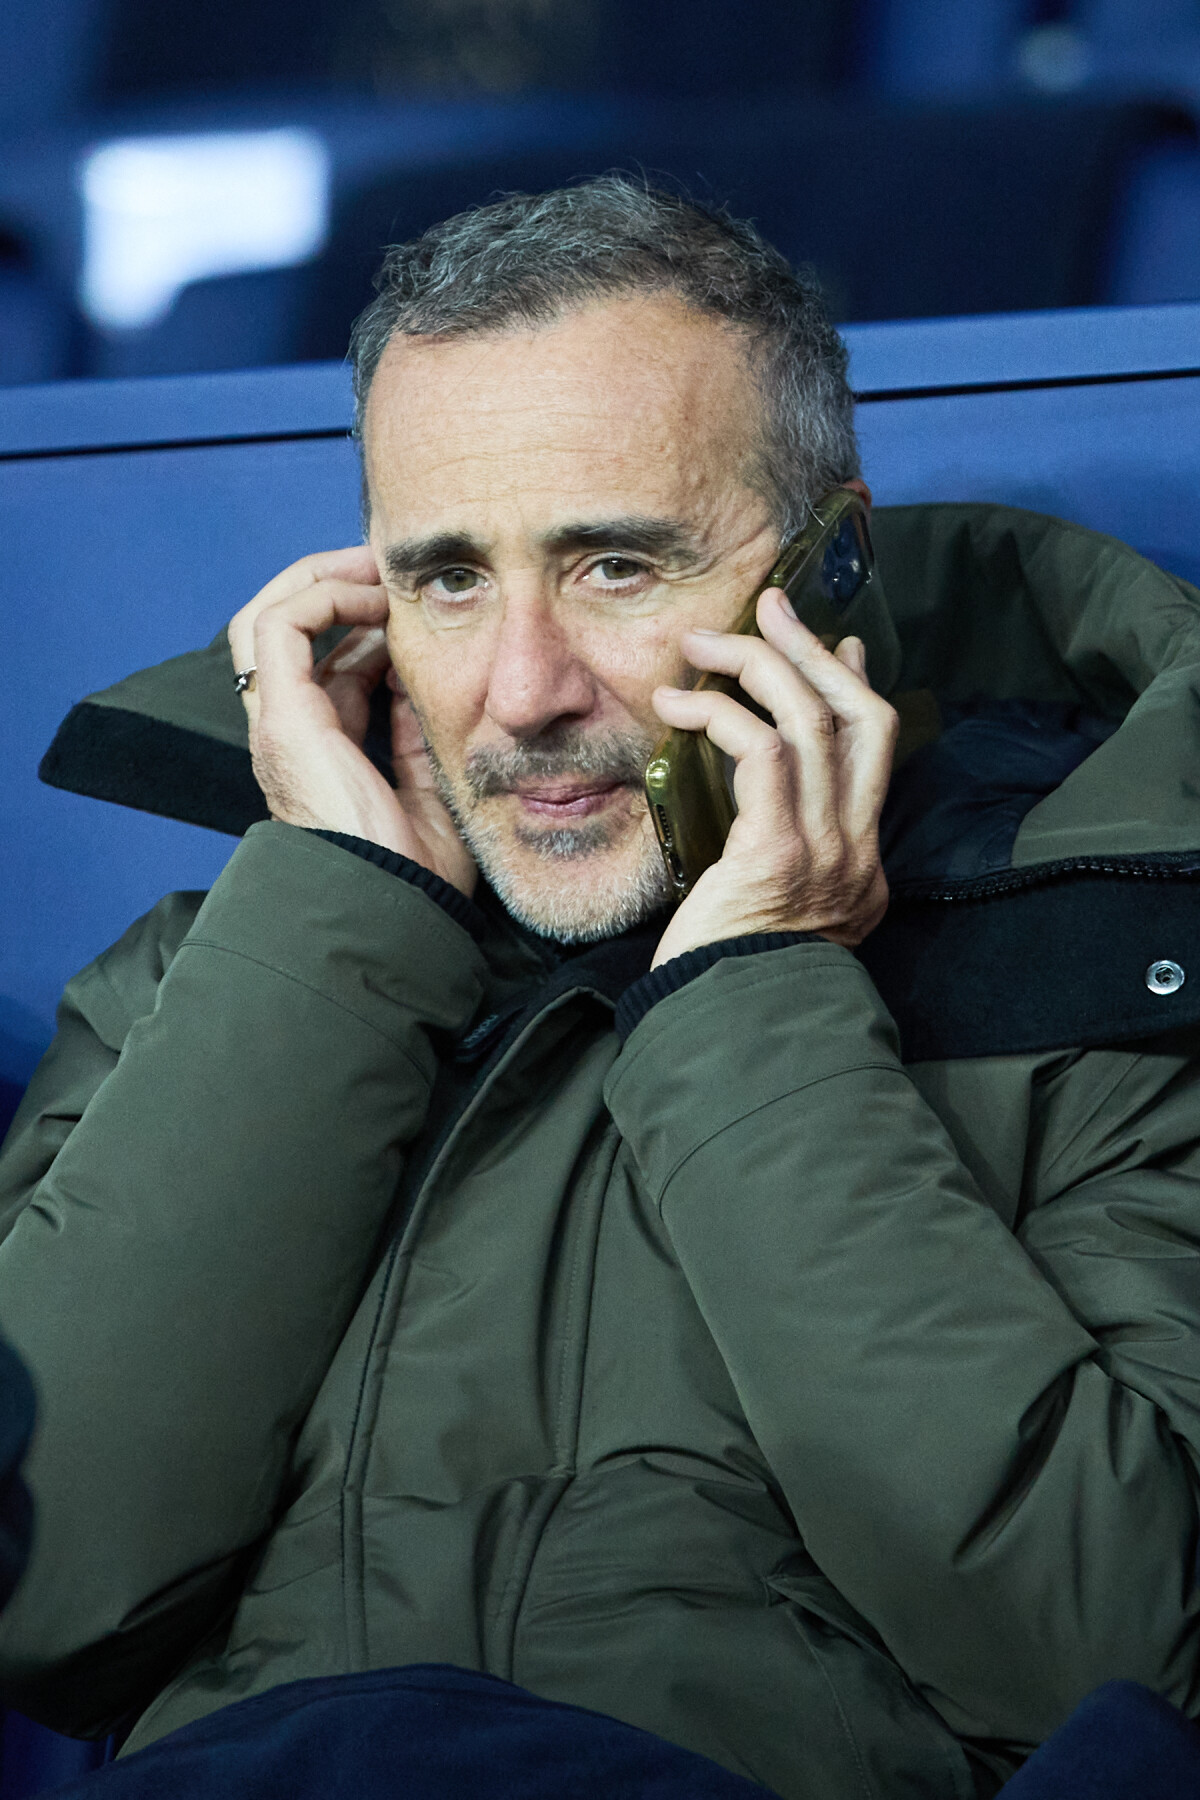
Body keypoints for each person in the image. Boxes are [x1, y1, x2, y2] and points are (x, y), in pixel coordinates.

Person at [4, 176, 1200, 1800]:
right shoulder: (208, 983)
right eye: (444, 579)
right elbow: (36, 1601)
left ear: (835, 571)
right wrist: (340, 935)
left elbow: (1123, 1656)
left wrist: (758, 993)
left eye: (616, 568)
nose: (521, 692)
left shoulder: (1114, 956)